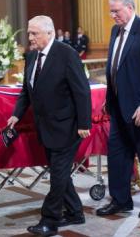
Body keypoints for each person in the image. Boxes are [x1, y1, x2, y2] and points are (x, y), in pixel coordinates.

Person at [7, 15, 91, 236]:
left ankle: (49, 220)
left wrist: (84, 123)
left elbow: (82, 91)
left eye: (34, 33)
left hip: (68, 126)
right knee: (59, 172)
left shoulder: (67, 55)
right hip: (45, 127)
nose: (30, 37)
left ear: (50, 33)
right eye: (29, 32)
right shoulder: (31, 56)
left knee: (58, 174)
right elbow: (27, 90)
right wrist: (16, 115)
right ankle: (74, 212)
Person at [96, 0, 140, 218]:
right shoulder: (115, 31)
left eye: (116, 11)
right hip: (119, 109)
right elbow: (114, 70)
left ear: (129, 7)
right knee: (117, 156)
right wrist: (109, 99)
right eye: (111, 11)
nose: (112, 15)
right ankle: (120, 200)